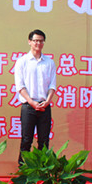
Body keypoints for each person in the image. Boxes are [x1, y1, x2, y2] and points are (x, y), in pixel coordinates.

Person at [13, 29, 57, 164]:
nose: (38, 43)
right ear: (29, 42)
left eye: (41, 41)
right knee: (26, 139)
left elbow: (52, 85)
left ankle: (42, 169)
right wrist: (31, 102)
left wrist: (47, 101)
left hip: (44, 106)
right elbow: (20, 86)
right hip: (28, 106)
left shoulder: (49, 62)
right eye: (35, 40)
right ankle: (23, 168)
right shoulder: (22, 61)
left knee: (44, 141)